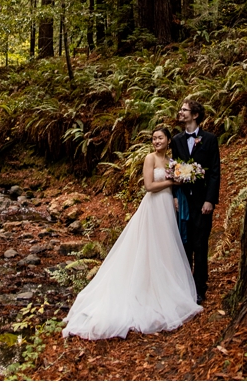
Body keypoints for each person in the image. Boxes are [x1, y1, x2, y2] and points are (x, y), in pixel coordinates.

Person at [62, 128, 202, 340]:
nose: (156, 141)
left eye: (160, 138)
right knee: (148, 246)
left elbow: (174, 186)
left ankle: (164, 288)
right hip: (153, 205)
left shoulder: (173, 160)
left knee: (165, 247)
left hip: (166, 207)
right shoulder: (150, 158)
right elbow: (149, 186)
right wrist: (172, 182)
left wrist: (175, 191)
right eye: (154, 138)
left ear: (168, 140)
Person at [171, 98, 221, 303]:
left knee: (200, 245)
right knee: (185, 244)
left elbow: (215, 173)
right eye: (181, 110)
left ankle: (200, 288)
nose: (181, 113)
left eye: (184, 110)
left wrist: (210, 200)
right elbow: (174, 169)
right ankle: (184, 287)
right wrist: (174, 195)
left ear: (195, 115)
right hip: (183, 202)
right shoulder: (176, 140)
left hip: (202, 202)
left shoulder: (209, 139)